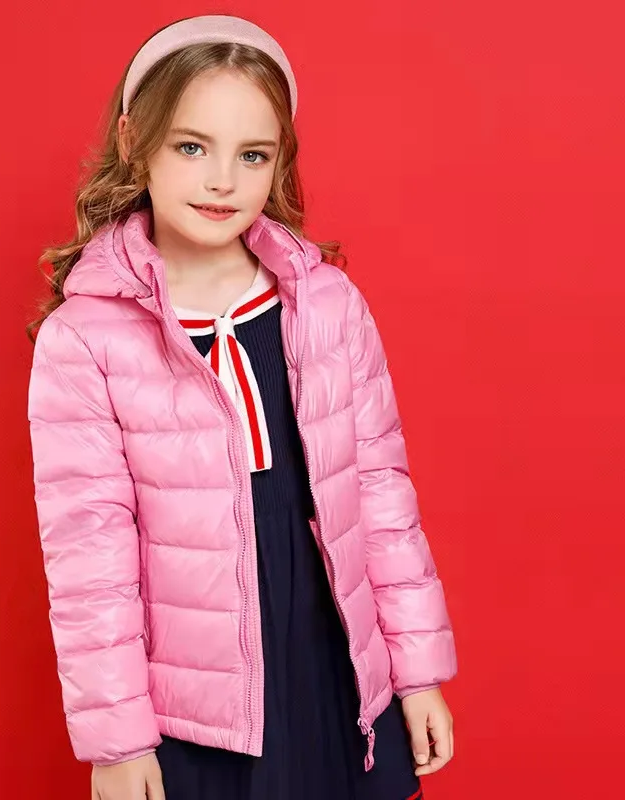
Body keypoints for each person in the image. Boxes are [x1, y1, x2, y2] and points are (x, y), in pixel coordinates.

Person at [27, 14, 457, 800]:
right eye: (192, 147)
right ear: (134, 140)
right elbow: (91, 563)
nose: (222, 179)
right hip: (198, 700)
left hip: (333, 659)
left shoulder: (327, 306)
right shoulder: (85, 338)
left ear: (278, 161)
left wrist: (417, 673)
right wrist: (117, 744)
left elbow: (383, 500)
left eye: (252, 154)